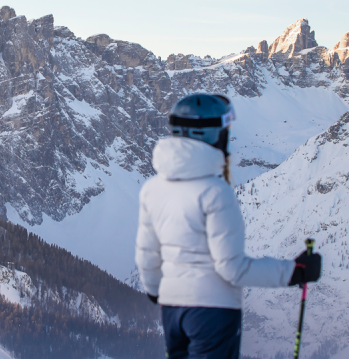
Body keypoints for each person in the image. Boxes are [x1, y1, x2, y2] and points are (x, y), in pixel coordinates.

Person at [135, 93, 321, 359]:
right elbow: (232, 268)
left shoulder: (153, 190)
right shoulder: (216, 192)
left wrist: (156, 290)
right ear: (213, 136)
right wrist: (295, 272)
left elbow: (147, 255)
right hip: (212, 312)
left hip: (171, 310)